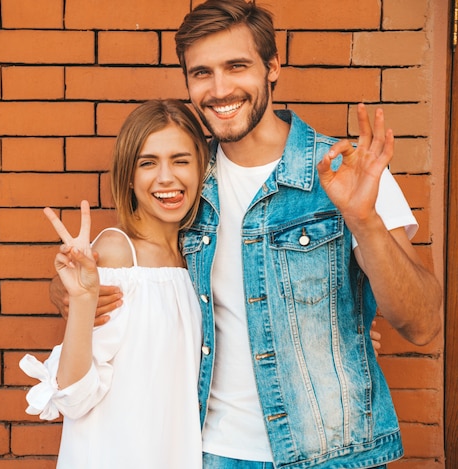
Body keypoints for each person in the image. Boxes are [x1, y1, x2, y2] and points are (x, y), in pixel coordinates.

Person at [52, 1, 443, 468]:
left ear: (272, 68)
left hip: (331, 456)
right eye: (202, 73)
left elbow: (423, 324)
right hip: (210, 453)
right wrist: (70, 294)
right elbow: (128, 267)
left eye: (236, 66)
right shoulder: (185, 182)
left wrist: (364, 221)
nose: (220, 89)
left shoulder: (348, 173)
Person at [19, 99, 209, 468]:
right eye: (148, 162)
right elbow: (75, 394)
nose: (166, 177)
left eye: (181, 160)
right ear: (128, 176)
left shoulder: (197, 258)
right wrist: (83, 299)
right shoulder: (116, 253)